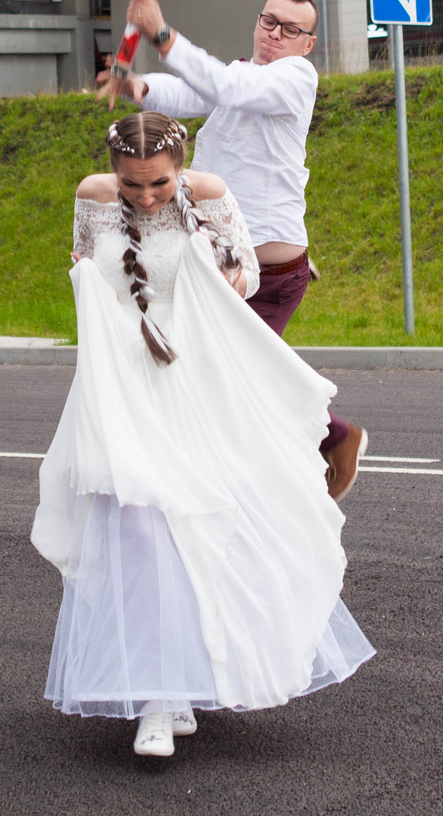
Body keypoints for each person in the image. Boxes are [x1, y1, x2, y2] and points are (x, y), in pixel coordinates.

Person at [37, 111, 374, 759]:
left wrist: (217, 281)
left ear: (181, 168)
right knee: (136, 532)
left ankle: (187, 680)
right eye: (132, 184)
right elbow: (83, 260)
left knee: (199, 528)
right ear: (113, 173)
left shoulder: (211, 194)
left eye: (159, 183)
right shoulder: (92, 197)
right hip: (121, 386)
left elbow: (248, 274)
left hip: (197, 383)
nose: (145, 196)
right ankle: (158, 699)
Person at [99, 0, 370, 497]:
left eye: (291, 29)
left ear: (307, 43)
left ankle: (330, 440)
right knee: (232, 378)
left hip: (266, 275)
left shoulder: (295, 78)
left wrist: (162, 33)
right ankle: (313, 450)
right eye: (269, 21)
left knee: (231, 379)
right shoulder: (245, 76)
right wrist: (138, 86)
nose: (275, 34)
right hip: (226, 267)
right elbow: (196, 92)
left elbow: (223, 86)